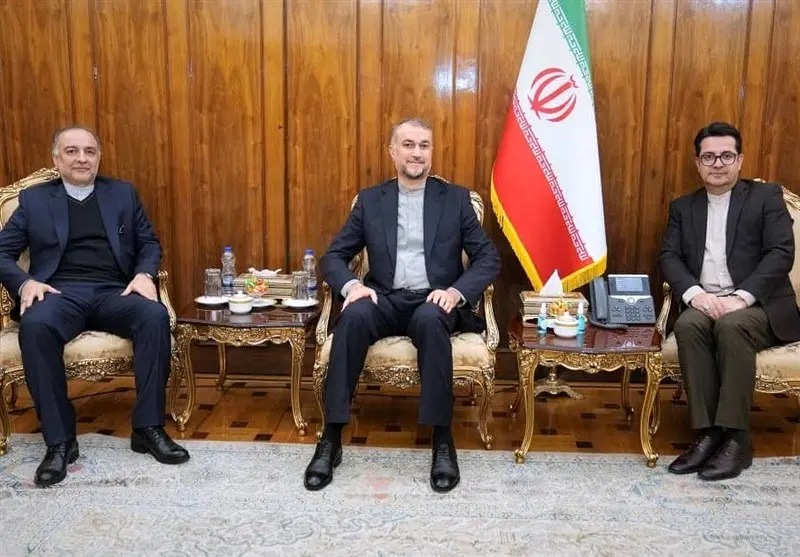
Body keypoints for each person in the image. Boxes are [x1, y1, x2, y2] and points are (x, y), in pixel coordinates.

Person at [304, 118, 500, 492]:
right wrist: (351, 286)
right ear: (392, 151)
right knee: (353, 317)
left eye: (424, 145)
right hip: (384, 298)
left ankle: (442, 441)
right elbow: (334, 256)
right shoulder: (371, 201)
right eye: (408, 145)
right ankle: (331, 439)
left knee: (430, 320)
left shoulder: (455, 200)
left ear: (431, 152)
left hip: (433, 300)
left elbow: (488, 258)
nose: (416, 153)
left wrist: (455, 292)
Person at [0, 126, 190, 487]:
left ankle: (147, 428)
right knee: (36, 326)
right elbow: (2, 252)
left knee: (154, 315)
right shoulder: (34, 200)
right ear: (57, 159)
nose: (82, 158)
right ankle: (60, 442)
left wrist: (144, 274)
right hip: (58, 293)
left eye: (89, 151)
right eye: (71, 151)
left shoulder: (122, 194)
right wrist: (25, 283)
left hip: (113, 291)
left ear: (99, 157)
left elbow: (149, 242)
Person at [659, 122, 800, 481]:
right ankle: (708, 434)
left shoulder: (765, 197)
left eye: (726, 156)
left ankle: (737, 439)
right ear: (697, 162)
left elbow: (781, 252)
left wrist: (741, 296)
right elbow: (669, 256)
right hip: (706, 302)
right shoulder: (683, 207)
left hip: (760, 307)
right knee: (688, 324)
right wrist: (696, 295)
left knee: (731, 325)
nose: (717, 164)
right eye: (709, 157)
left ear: (739, 160)